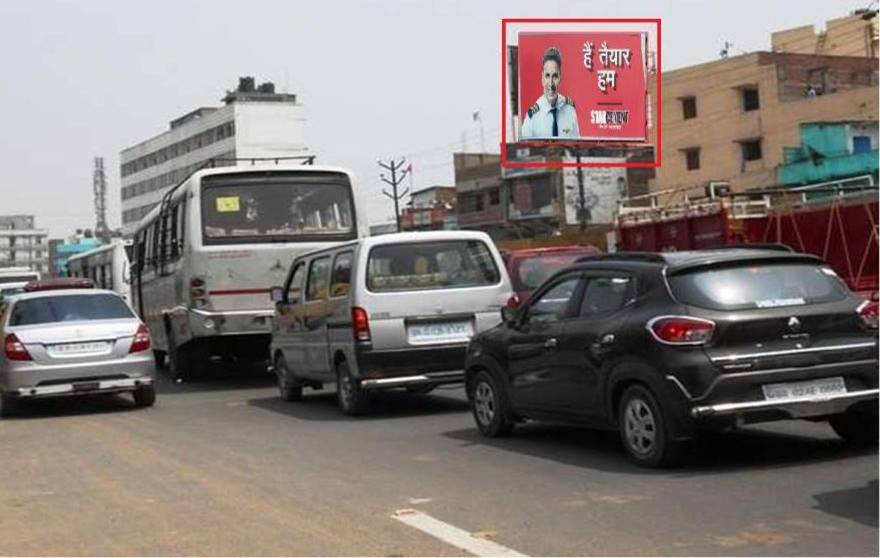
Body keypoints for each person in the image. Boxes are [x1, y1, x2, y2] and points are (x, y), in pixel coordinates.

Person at [521, 47, 580, 139]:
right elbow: (524, 147)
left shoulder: (569, 110)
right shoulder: (533, 116)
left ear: (560, 78)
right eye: (547, 76)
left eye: (555, 76)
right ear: (542, 78)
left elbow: (576, 145)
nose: (551, 84)